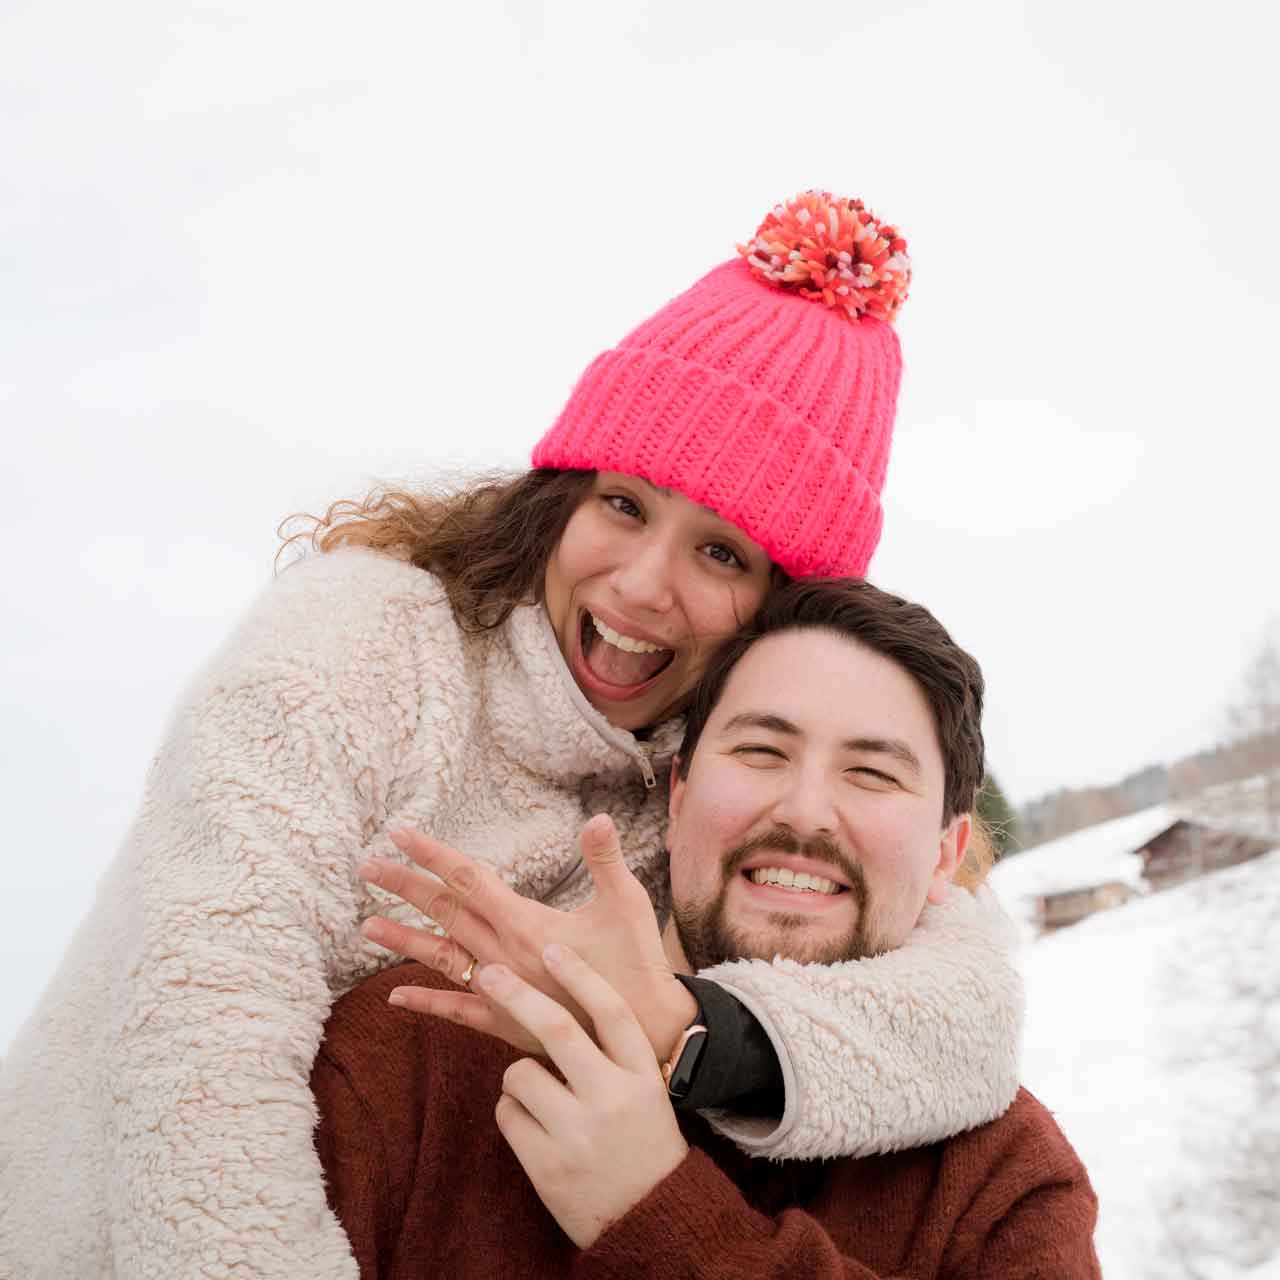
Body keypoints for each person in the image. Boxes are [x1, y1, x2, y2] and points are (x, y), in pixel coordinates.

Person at [0, 192, 1020, 1280]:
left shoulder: (706, 784)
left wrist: (684, 1027)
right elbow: (196, 1034)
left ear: (778, 606)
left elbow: (968, 1015)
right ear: (560, 495)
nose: (639, 585)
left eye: (719, 552)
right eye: (622, 504)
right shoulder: (363, 644)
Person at [313, 577, 1100, 1278]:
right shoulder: (414, 1051)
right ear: (679, 796)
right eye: (761, 751)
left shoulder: (1005, 1183)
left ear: (945, 854)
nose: (803, 811)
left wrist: (661, 1220)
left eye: (871, 773)